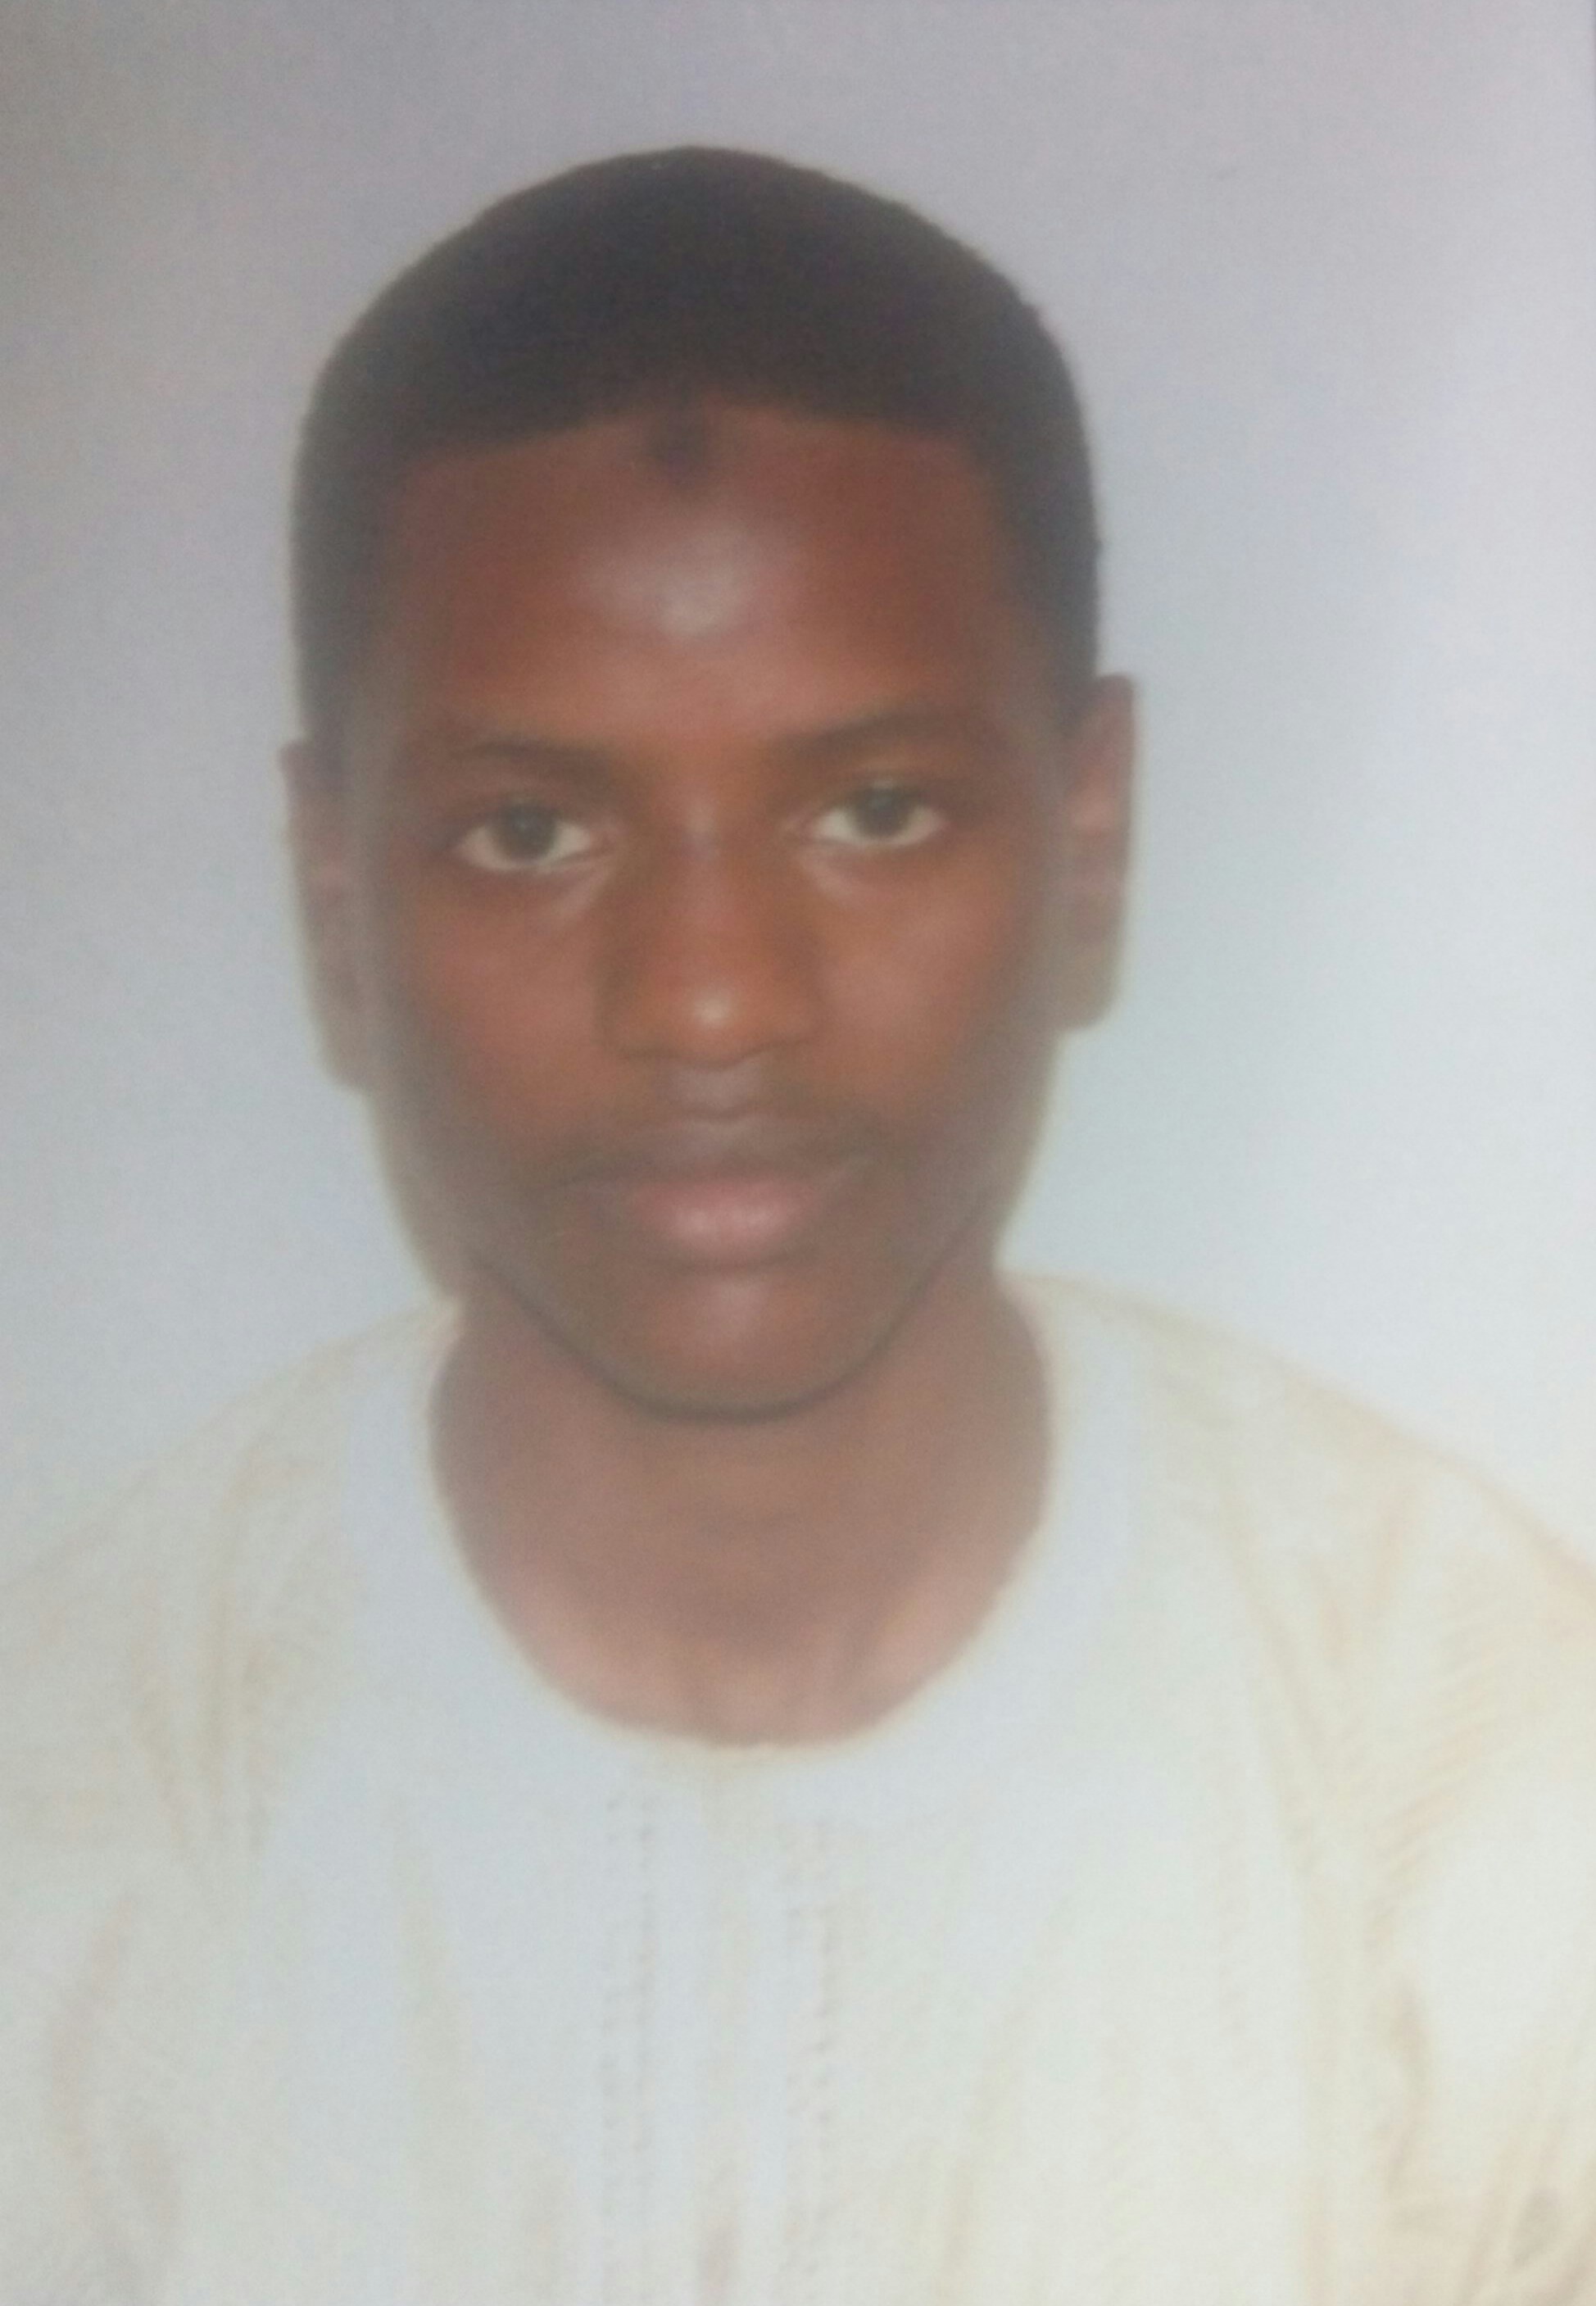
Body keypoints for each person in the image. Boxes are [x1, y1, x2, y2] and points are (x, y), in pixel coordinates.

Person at [5, 146, 1596, 2306]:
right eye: (530, 831)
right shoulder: (83, 1816)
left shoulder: (1466, 1778)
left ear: (1088, 834)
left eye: (873, 810)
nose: (710, 998)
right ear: (332, 888)